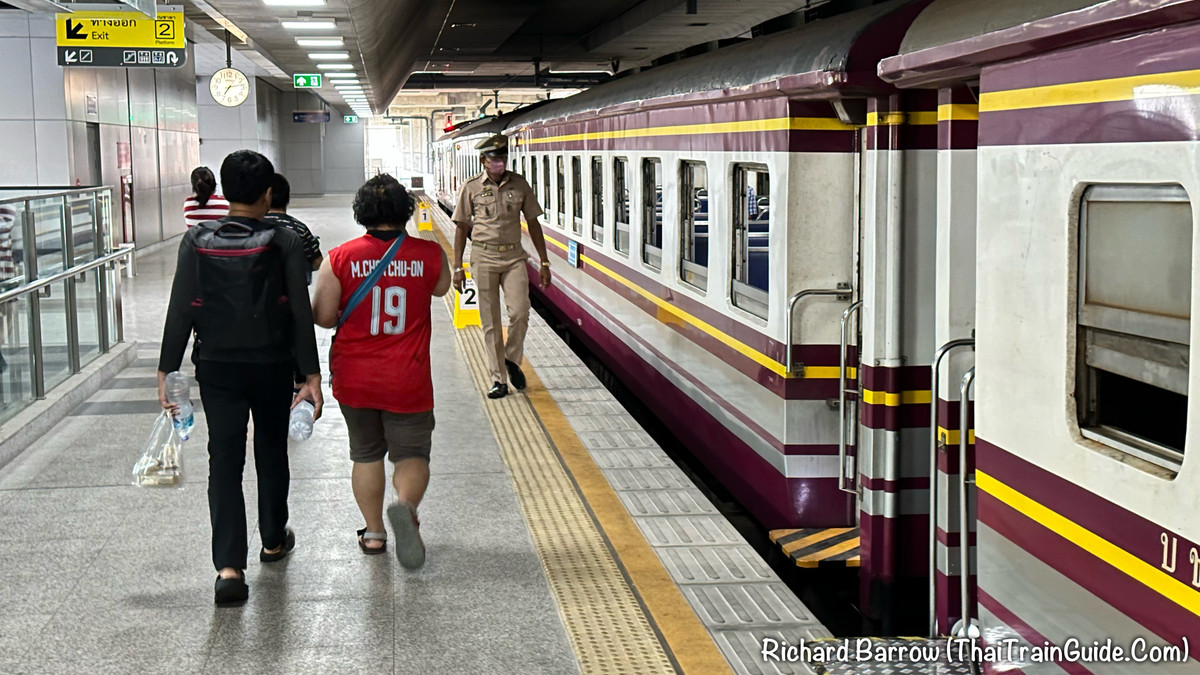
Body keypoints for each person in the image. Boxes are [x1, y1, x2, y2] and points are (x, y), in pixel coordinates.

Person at [157, 150, 323, 606]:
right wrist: (310, 374)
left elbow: (181, 307)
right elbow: (299, 314)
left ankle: (229, 568)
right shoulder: (283, 241)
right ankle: (273, 539)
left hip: (217, 367)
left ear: (226, 192)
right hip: (270, 365)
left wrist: (168, 370)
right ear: (269, 194)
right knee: (271, 449)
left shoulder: (196, 239)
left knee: (224, 459)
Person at [312, 174, 450, 568]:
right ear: (405, 211)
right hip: (408, 378)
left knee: (366, 453)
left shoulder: (339, 258)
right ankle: (404, 506)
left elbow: (322, 317)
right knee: (412, 454)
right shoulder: (429, 255)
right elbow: (441, 290)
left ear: (361, 213)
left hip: (355, 378)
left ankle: (373, 533)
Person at [451, 133, 551, 399]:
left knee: (520, 311)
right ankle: (499, 380)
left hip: (514, 258)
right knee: (491, 321)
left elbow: (533, 222)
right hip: (483, 258)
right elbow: (461, 227)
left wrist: (544, 261)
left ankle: (510, 359)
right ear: (483, 160)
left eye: (502, 158)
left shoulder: (519, 185)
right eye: (494, 158)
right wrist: (457, 266)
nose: (499, 163)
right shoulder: (470, 187)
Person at [263, 173, 323, 285]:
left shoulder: (256, 226)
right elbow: (317, 262)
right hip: (294, 292)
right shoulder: (299, 228)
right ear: (288, 198)